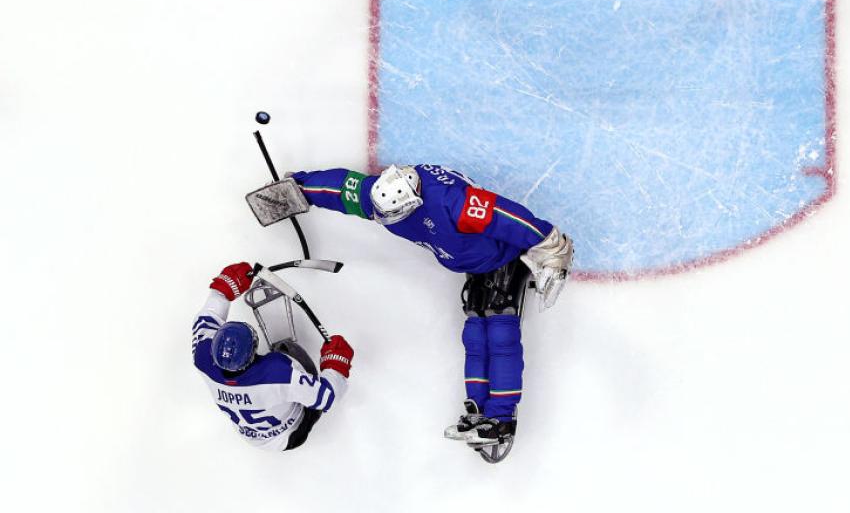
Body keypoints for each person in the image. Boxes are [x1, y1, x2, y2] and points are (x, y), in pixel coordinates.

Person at [289, 164, 572, 448]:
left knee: (500, 333)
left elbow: (506, 216)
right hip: (472, 263)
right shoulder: (379, 197)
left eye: (389, 216)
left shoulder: (452, 202)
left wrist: (551, 245)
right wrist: (299, 188)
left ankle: (501, 418)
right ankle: (477, 406)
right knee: (474, 335)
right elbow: (339, 188)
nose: (380, 219)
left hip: (502, 256)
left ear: (412, 203)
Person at [192, 261, 355, 450]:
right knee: (288, 350)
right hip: (291, 435)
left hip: (251, 436)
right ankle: (302, 402)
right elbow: (328, 397)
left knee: (282, 372)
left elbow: (205, 320)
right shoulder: (276, 373)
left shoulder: (202, 358)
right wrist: (335, 366)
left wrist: (222, 290)